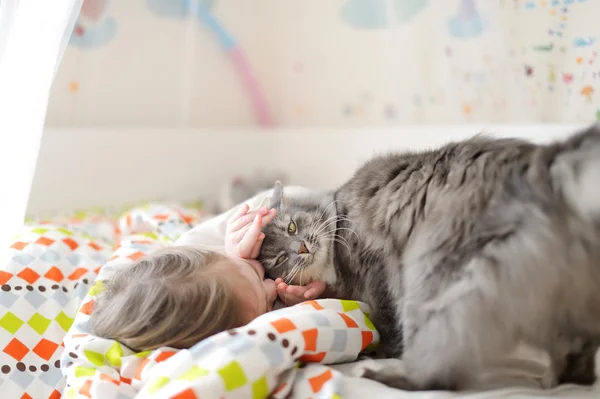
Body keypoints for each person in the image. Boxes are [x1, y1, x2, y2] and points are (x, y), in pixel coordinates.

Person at [89, 204, 326, 351]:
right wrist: (317, 295)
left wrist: (240, 235)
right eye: (266, 303)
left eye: (255, 271)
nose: (273, 287)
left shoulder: (208, 244)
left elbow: (288, 201)